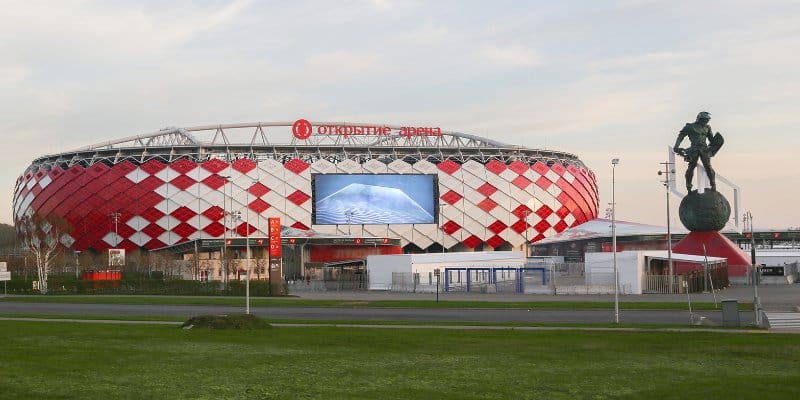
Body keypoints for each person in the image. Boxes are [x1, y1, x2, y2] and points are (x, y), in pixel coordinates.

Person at [673, 111, 723, 192]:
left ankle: (713, 184)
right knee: (691, 167)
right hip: (694, 149)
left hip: (704, 149)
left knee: (708, 167)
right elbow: (681, 136)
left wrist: (717, 143)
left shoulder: (707, 128)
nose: (706, 122)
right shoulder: (690, 126)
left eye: (707, 120)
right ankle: (688, 186)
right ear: (699, 119)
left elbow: (711, 140)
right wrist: (676, 146)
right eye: (704, 120)